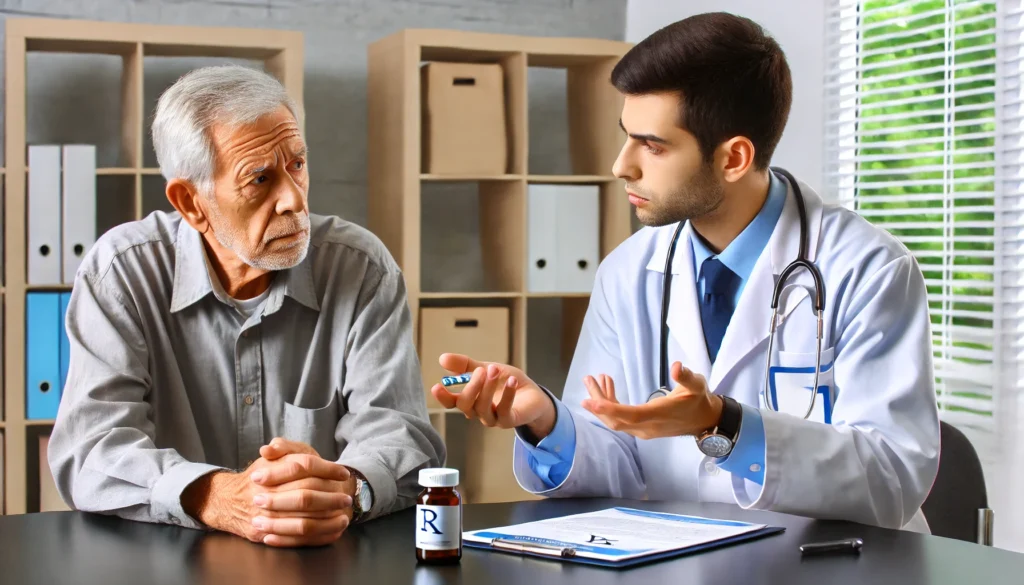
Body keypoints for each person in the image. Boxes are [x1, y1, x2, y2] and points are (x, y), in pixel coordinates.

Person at [431, 12, 940, 531]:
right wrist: (544, 420)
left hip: (839, 568)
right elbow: (621, 467)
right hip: (682, 562)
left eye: (653, 145)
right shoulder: (628, 272)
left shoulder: (869, 270)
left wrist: (723, 424)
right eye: (626, 136)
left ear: (734, 158)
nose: (621, 165)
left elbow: (893, 478)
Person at [48, 65, 445, 547]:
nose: (293, 201)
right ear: (191, 203)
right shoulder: (122, 273)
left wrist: (348, 488)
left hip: (323, 559)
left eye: (297, 165)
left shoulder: (359, 267)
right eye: (260, 179)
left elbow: (401, 432)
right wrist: (215, 495)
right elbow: (91, 449)